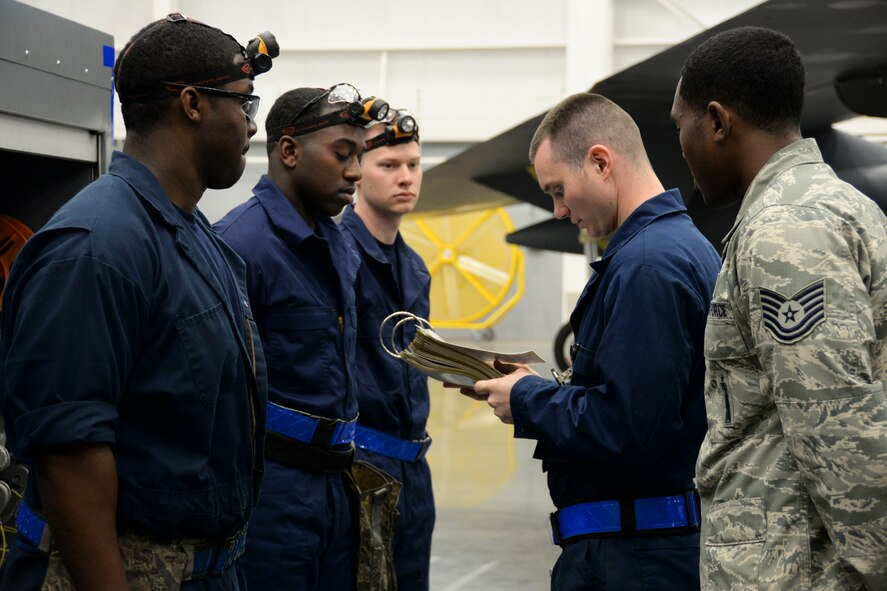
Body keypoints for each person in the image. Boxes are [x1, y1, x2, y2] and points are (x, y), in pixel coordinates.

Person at [0, 14, 272, 590]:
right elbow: (69, 452)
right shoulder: (98, 248)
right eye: (244, 104)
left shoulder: (196, 238)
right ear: (193, 105)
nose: (252, 125)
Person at [460, 93, 721, 590]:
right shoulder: (672, 248)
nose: (558, 210)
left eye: (558, 190)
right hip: (643, 549)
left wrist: (527, 398)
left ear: (601, 162)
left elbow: (629, 427)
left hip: (637, 559)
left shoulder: (648, 266)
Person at [671, 26, 887, 590]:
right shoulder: (841, 206)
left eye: (681, 126)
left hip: (797, 572)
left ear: (717, 122)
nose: (683, 147)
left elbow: (837, 423)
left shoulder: (785, 230)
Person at [214, 84, 392, 590]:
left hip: (337, 482)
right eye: (342, 154)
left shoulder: (338, 244)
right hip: (273, 495)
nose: (356, 171)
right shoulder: (239, 247)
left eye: (359, 155)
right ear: (289, 151)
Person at [340, 110, 435, 590]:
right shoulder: (336, 256)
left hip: (414, 470)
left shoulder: (415, 270)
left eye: (414, 165)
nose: (406, 177)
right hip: (358, 467)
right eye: (390, 165)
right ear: (357, 170)